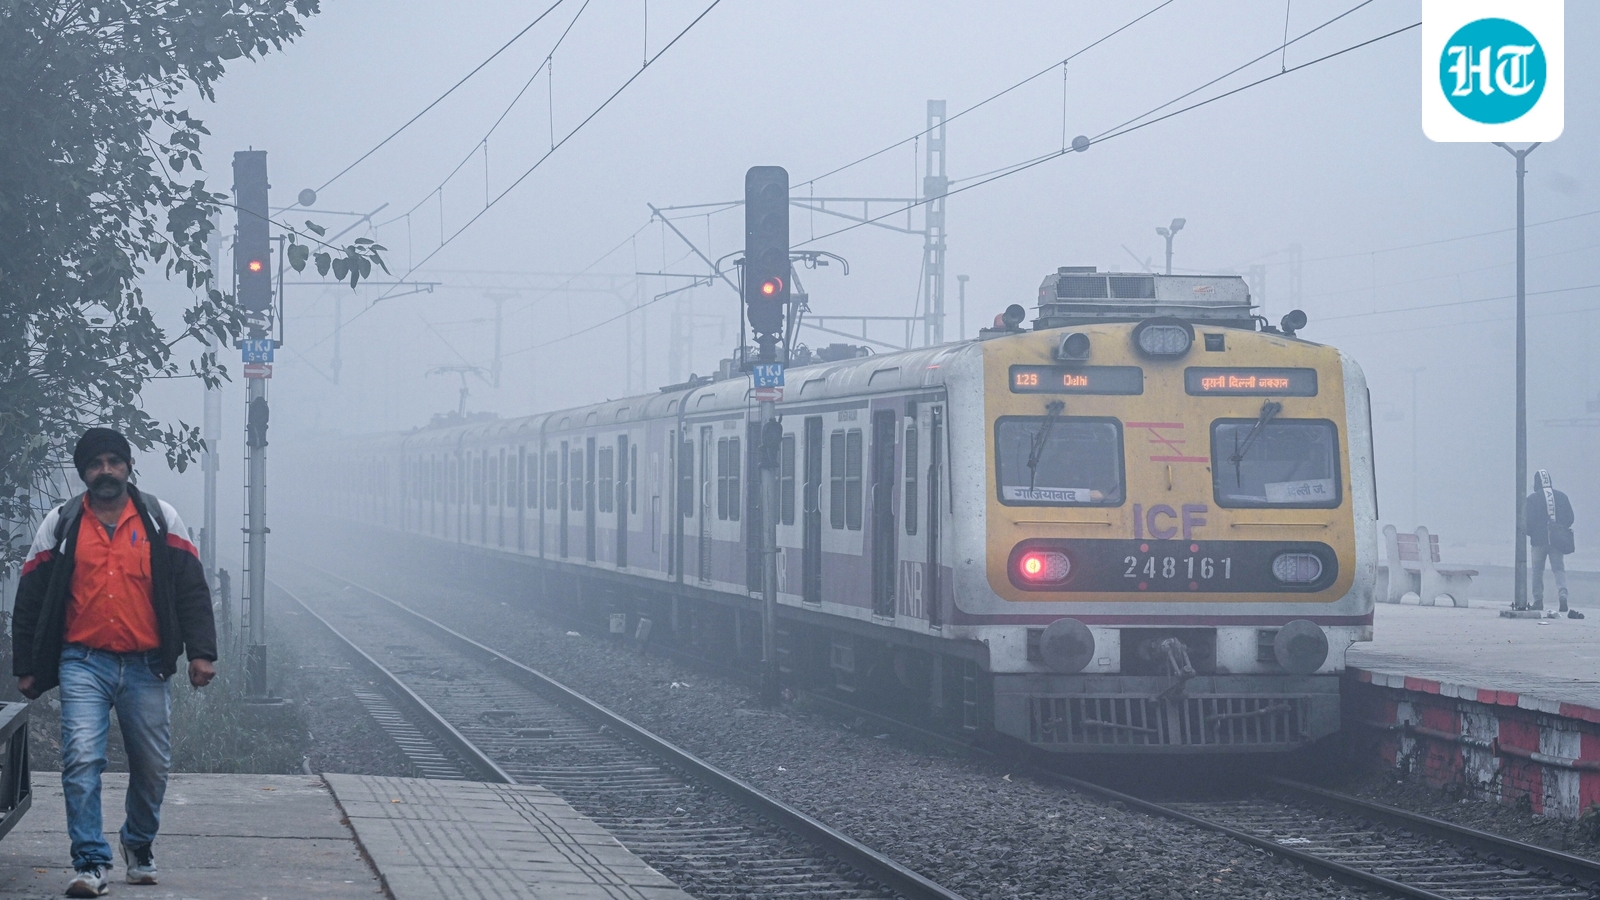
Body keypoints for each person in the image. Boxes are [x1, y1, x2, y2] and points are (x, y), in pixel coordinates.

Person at [11, 428, 217, 897]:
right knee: (82, 757)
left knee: (152, 764)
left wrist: (202, 652)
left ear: (127, 467)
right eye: (95, 463)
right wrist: (27, 664)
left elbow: (191, 588)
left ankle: (138, 844)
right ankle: (90, 863)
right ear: (84, 472)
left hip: (147, 666)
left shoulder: (161, 520)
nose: (105, 471)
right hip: (83, 662)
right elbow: (30, 597)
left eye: (113, 461)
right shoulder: (61, 524)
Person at [1525, 469, 1582, 619]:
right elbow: (1570, 517)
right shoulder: (1562, 497)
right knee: (1558, 569)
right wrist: (1559, 528)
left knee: (1537, 571)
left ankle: (1538, 600)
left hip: (1538, 541)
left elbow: (1527, 522)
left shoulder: (1532, 499)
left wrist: (1534, 532)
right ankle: (1563, 595)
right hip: (1557, 541)